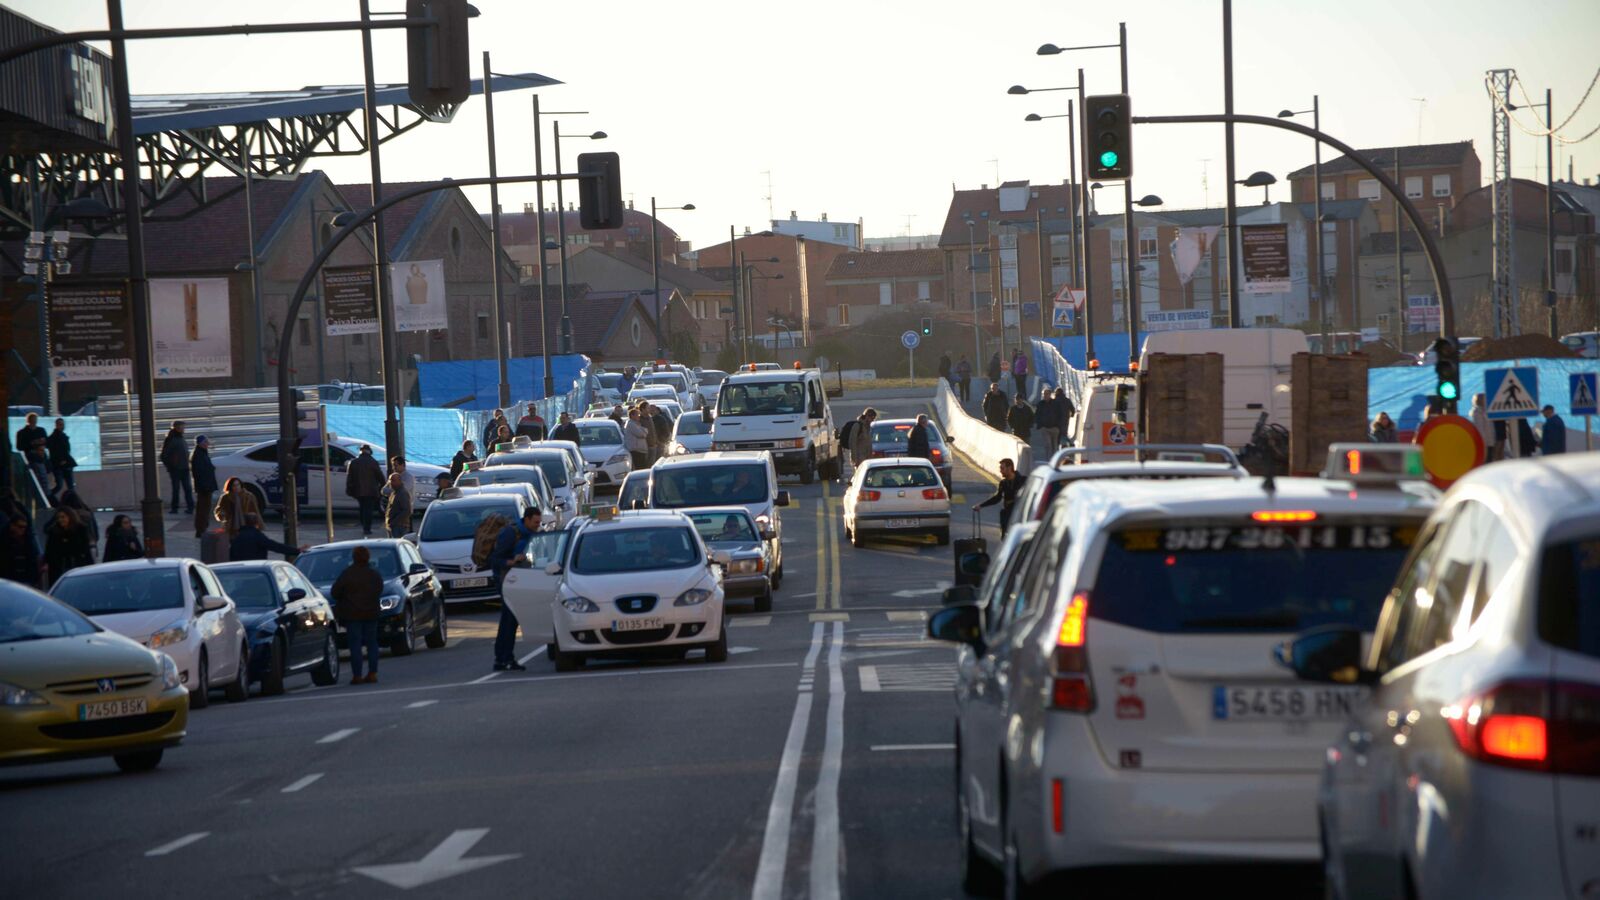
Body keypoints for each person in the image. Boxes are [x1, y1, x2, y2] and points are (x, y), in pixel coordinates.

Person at [488, 506, 543, 671]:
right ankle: (504, 659)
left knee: (510, 621)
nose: (537, 525)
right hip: (506, 581)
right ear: (526, 519)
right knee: (509, 620)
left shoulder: (532, 534)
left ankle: (503, 659)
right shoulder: (510, 534)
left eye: (539, 522)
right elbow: (494, 559)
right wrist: (511, 562)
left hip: (520, 581)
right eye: (535, 522)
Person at [330, 545, 383, 685]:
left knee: (355, 645)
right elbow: (379, 590)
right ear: (368, 557)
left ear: (354, 558)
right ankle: (372, 673)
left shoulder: (347, 574)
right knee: (372, 643)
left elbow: (335, 593)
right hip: (371, 613)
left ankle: (357, 676)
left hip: (352, 615)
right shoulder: (374, 574)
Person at [974, 458, 1026, 537]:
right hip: (1007, 514)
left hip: (1019, 514)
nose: (1000, 471)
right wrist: (981, 506)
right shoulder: (1003, 483)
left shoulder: (1023, 481)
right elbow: (997, 498)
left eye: (1002, 468)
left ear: (1009, 468)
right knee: (1004, 537)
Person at [43, 507, 92, 586]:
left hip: (76, 565)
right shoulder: (54, 532)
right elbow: (49, 549)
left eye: (63, 517)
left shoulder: (80, 530)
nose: (60, 520)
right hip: (58, 567)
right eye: (58, 517)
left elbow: (86, 550)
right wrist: (46, 562)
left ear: (70, 517)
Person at [345, 445, 385, 536]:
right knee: (368, 509)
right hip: (371, 491)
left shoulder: (353, 462)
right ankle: (367, 528)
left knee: (362, 507)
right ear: (369, 451)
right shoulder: (373, 462)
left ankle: (364, 525)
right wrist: (384, 485)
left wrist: (349, 489)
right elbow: (380, 476)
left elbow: (349, 477)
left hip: (358, 490)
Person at [229, 513, 304, 561]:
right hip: (255, 568)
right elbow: (275, 546)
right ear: (257, 524)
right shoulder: (257, 536)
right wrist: (297, 551)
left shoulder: (237, 537)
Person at [213, 476, 262, 543]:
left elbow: (256, 511)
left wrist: (258, 524)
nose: (236, 487)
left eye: (238, 485)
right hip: (231, 526)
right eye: (234, 485)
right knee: (233, 544)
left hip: (246, 524)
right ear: (230, 487)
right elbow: (218, 510)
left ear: (241, 485)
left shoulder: (249, 496)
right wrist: (222, 514)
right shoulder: (225, 497)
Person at [160, 421, 194, 514]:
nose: (184, 429)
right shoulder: (171, 439)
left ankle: (190, 507)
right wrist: (171, 467)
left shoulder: (181, 439)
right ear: (177, 428)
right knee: (176, 489)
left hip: (184, 468)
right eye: (182, 427)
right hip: (176, 469)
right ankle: (175, 508)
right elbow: (164, 456)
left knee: (187, 489)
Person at [1, 514, 41, 588]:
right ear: (12, 526)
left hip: (26, 580)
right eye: (20, 527)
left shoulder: (28, 540)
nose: (22, 529)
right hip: (8, 580)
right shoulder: (3, 540)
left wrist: (34, 580)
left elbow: (33, 560)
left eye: (24, 527)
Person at [191, 435, 218, 539]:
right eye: (206, 442)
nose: (208, 443)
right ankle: (201, 530)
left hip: (206, 486)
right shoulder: (198, 455)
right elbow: (199, 472)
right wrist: (205, 486)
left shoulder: (202, 453)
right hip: (204, 487)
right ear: (201, 443)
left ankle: (202, 529)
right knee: (203, 509)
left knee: (205, 509)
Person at [14, 413, 49, 492]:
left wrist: (42, 443)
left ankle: (45, 495)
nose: (34, 422)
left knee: (43, 480)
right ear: (28, 421)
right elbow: (19, 446)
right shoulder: (22, 433)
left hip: (41, 457)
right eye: (33, 421)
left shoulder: (41, 430)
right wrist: (32, 443)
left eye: (35, 421)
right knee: (38, 480)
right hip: (31, 458)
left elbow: (48, 443)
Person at [842, 408, 876, 482]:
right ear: (866, 416)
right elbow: (852, 441)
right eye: (871, 418)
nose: (872, 420)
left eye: (873, 419)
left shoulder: (867, 427)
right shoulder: (857, 426)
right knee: (859, 477)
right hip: (859, 457)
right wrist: (854, 457)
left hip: (866, 457)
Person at [45, 418, 75, 501]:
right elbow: (57, 451)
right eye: (61, 424)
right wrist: (61, 460)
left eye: (62, 424)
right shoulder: (55, 437)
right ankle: (48, 497)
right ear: (57, 425)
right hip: (61, 464)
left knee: (63, 485)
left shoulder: (59, 436)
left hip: (63, 463)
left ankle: (49, 498)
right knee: (65, 485)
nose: (62, 426)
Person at [382, 472, 413, 538]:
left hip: (399, 527)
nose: (391, 483)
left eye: (393, 480)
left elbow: (407, 510)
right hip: (393, 526)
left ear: (399, 481)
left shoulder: (403, 493)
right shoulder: (394, 492)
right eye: (390, 480)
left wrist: (394, 521)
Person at [1469, 393, 1498, 462]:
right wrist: (1483, 443)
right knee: (1485, 461)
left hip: (1489, 442)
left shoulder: (1485, 411)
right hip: (1485, 443)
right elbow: (1480, 428)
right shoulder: (1477, 412)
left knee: (1489, 460)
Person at [1035, 388, 1062, 454]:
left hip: (1055, 428)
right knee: (1048, 445)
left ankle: (1055, 461)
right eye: (1044, 394)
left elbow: (1061, 414)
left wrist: (1058, 426)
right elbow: (1037, 415)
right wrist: (1040, 425)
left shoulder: (1055, 403)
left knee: (1054, 446)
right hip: (1045, 428)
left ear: (1050, 394)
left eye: (1047, 394)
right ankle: (1049, 461)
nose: (1045, 395)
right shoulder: (1040, 404)